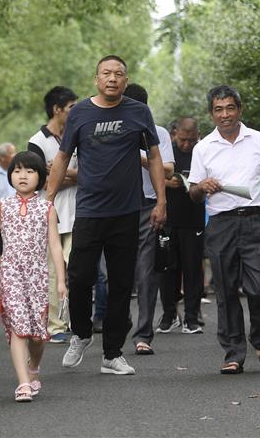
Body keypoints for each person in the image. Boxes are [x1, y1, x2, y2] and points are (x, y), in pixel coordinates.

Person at [46, 55, 166, 376]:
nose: (112, 78)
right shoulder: (81, 113)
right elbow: (61, 158)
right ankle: (82, 334)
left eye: (119, 74)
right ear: (96, 79)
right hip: (89, 211)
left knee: (121, 284)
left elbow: (154, 158)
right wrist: (47, 199)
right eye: (106, 73)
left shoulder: (139, 112)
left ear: (125, 81)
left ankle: (112, 353)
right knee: (80, 277)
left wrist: (161, 201)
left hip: (127, 212)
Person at [188, 85, 260, 375]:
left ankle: (259, 338)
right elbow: (193, 192)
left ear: (239, 110)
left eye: (230, 108)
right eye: (218, 109)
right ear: (211, 114)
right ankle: (233, 352)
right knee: (226, 291)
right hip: (221, 224)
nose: (225, 114)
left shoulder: (259, 140)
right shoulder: (203, 147)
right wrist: (201, 187)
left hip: (256, 221)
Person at [0, 151, 67, 401]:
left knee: (38, 334)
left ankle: (33, 367)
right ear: (10, 175)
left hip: (38, 276)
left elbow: (55, 246)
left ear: (41, 177)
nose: (22, 175)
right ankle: (23, 383)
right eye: (17, 170)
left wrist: (62, 282)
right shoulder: (4, 204)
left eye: (30, 171)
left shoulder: (47, 208)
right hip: (10, 272)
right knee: (18, 328)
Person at [125, 84, 174, 355]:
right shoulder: (108, 128)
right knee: (112, 274)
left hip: (146, 205)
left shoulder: (158, 132)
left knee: (146, 272)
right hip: (115, 207)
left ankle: (143, 334)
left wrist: (140, 155)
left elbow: (167, 169)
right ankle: (120, 323)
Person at [27, 86, 78, 344]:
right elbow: (36, 182)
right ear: (57, 110)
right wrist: (65, 176)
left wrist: (60, 173)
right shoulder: (37, 142)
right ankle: (56, 326)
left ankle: (78, 322)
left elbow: (89, 173)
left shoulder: (77, 136)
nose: (75, 111)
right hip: (50, 215)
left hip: (79, 212)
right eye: (71, 107)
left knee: (78, 269)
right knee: (54, 272)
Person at [158, 117, 207, 335]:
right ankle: (169, 315)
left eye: (191, 140)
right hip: (168, 220)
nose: (187, 144)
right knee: (167, 269)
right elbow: (152, 176)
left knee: (192, 270)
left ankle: (191, 317)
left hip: (194, 219)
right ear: (174, 134)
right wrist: (168, 183)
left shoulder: (203, 151)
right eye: (183, 140)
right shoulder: (166, 152)